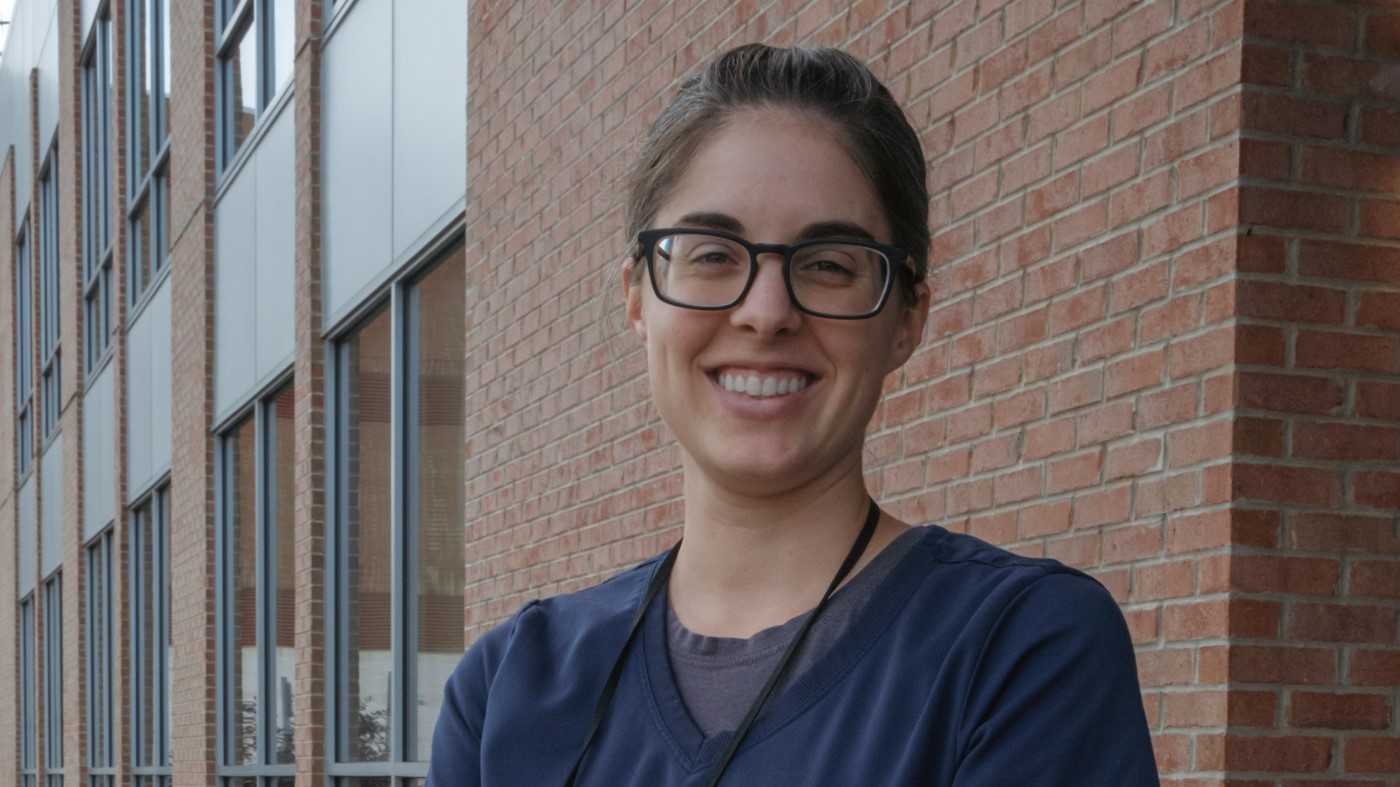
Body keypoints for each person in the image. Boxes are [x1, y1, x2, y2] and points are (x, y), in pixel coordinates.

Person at [427, 44, 1160, 786]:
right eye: (712, 254)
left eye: (830, 263)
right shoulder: (506, 687)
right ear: (637, 297)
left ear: (907, 317)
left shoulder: (1019, 649)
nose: (766, 312)